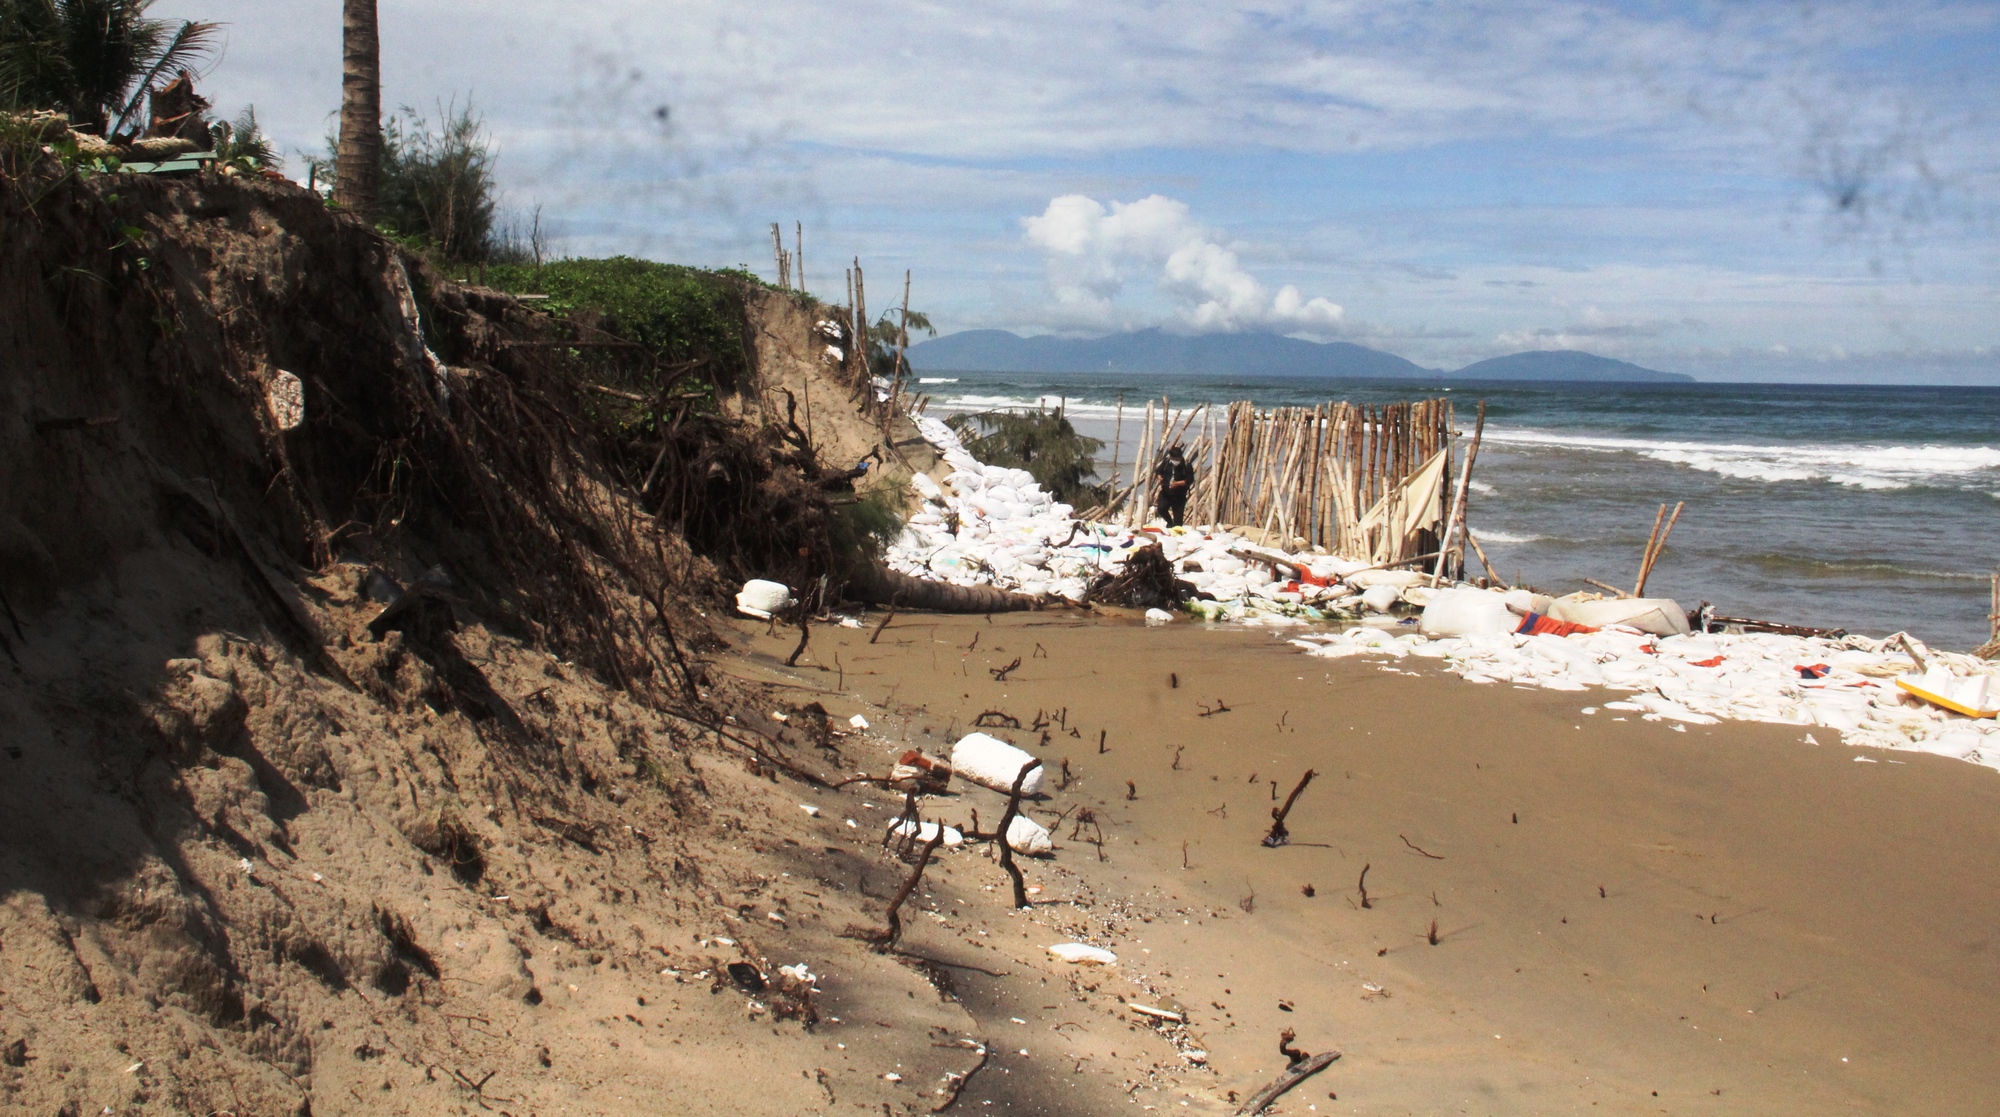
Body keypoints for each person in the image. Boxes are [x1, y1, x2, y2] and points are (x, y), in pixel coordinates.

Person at [1153, 446, 1194, 527]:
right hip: (1166, 492)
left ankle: (1175, 528)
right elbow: (1158, 471)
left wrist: (1178, 483)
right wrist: (1159, 477)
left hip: (1179, 494)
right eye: (1173, 459)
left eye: (1177, 459)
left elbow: (1190, 479)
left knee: (1178, 521)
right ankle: (1169, 522)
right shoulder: (1166, 462)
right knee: (1161, 508)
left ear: (1180, 457)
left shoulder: (1186, 465)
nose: (1175, 461)